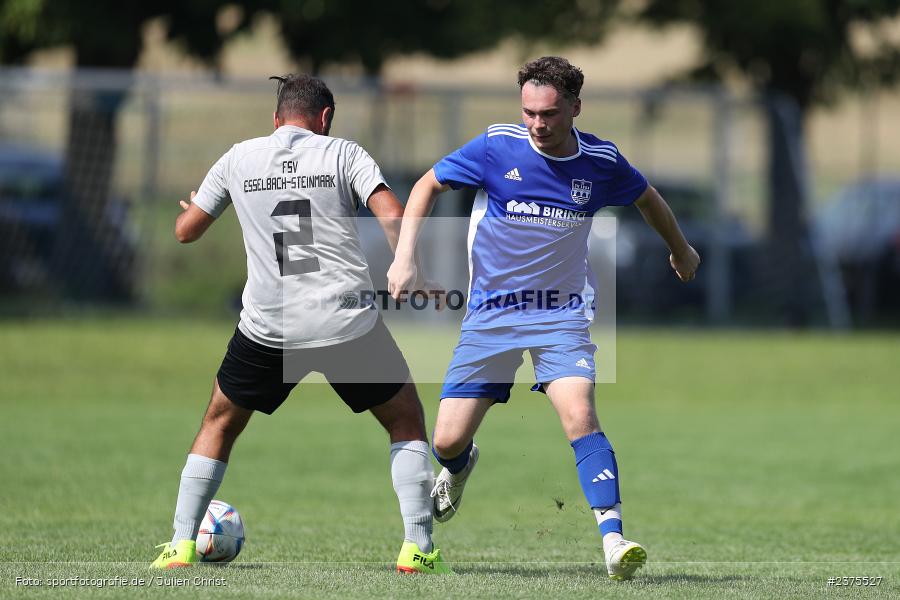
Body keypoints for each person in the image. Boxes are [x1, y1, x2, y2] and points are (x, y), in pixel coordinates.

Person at [386, 56, 700, 580]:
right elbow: (426, 185)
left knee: (580, 417)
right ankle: (461, 467)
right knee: (445, 441)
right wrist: (405, 255)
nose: (538, 124)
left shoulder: (600, 162)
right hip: (492, 315)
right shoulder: (495, 147)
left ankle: (614, 539)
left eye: (550, 114)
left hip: (562, 315)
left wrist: (681, 248)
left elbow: (647, 199)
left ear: (575, 107)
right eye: (529, 112)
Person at [151, 73, 450, 574]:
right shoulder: (343, 154)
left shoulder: (238, 157)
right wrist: (409, 265)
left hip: (269, 327)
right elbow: (392, 213)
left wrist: (188, 212)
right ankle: (417, 549)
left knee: (219, 424)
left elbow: (186, 231)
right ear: (325, 118)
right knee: (405, 421)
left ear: (275, 118)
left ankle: (180, 545)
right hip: (344, 322)